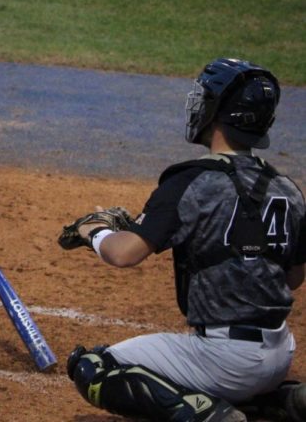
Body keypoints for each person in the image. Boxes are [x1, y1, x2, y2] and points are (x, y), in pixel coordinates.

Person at [66, 57, 306, 421]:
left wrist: (93, 231)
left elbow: (124, 254)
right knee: (238, 372)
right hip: (280, 354)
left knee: (93, 368)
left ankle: (209, 415)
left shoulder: (188, 181)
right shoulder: (288, 189)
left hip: (225, 359)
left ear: (218, 112)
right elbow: (293, 278)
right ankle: (285, 402)